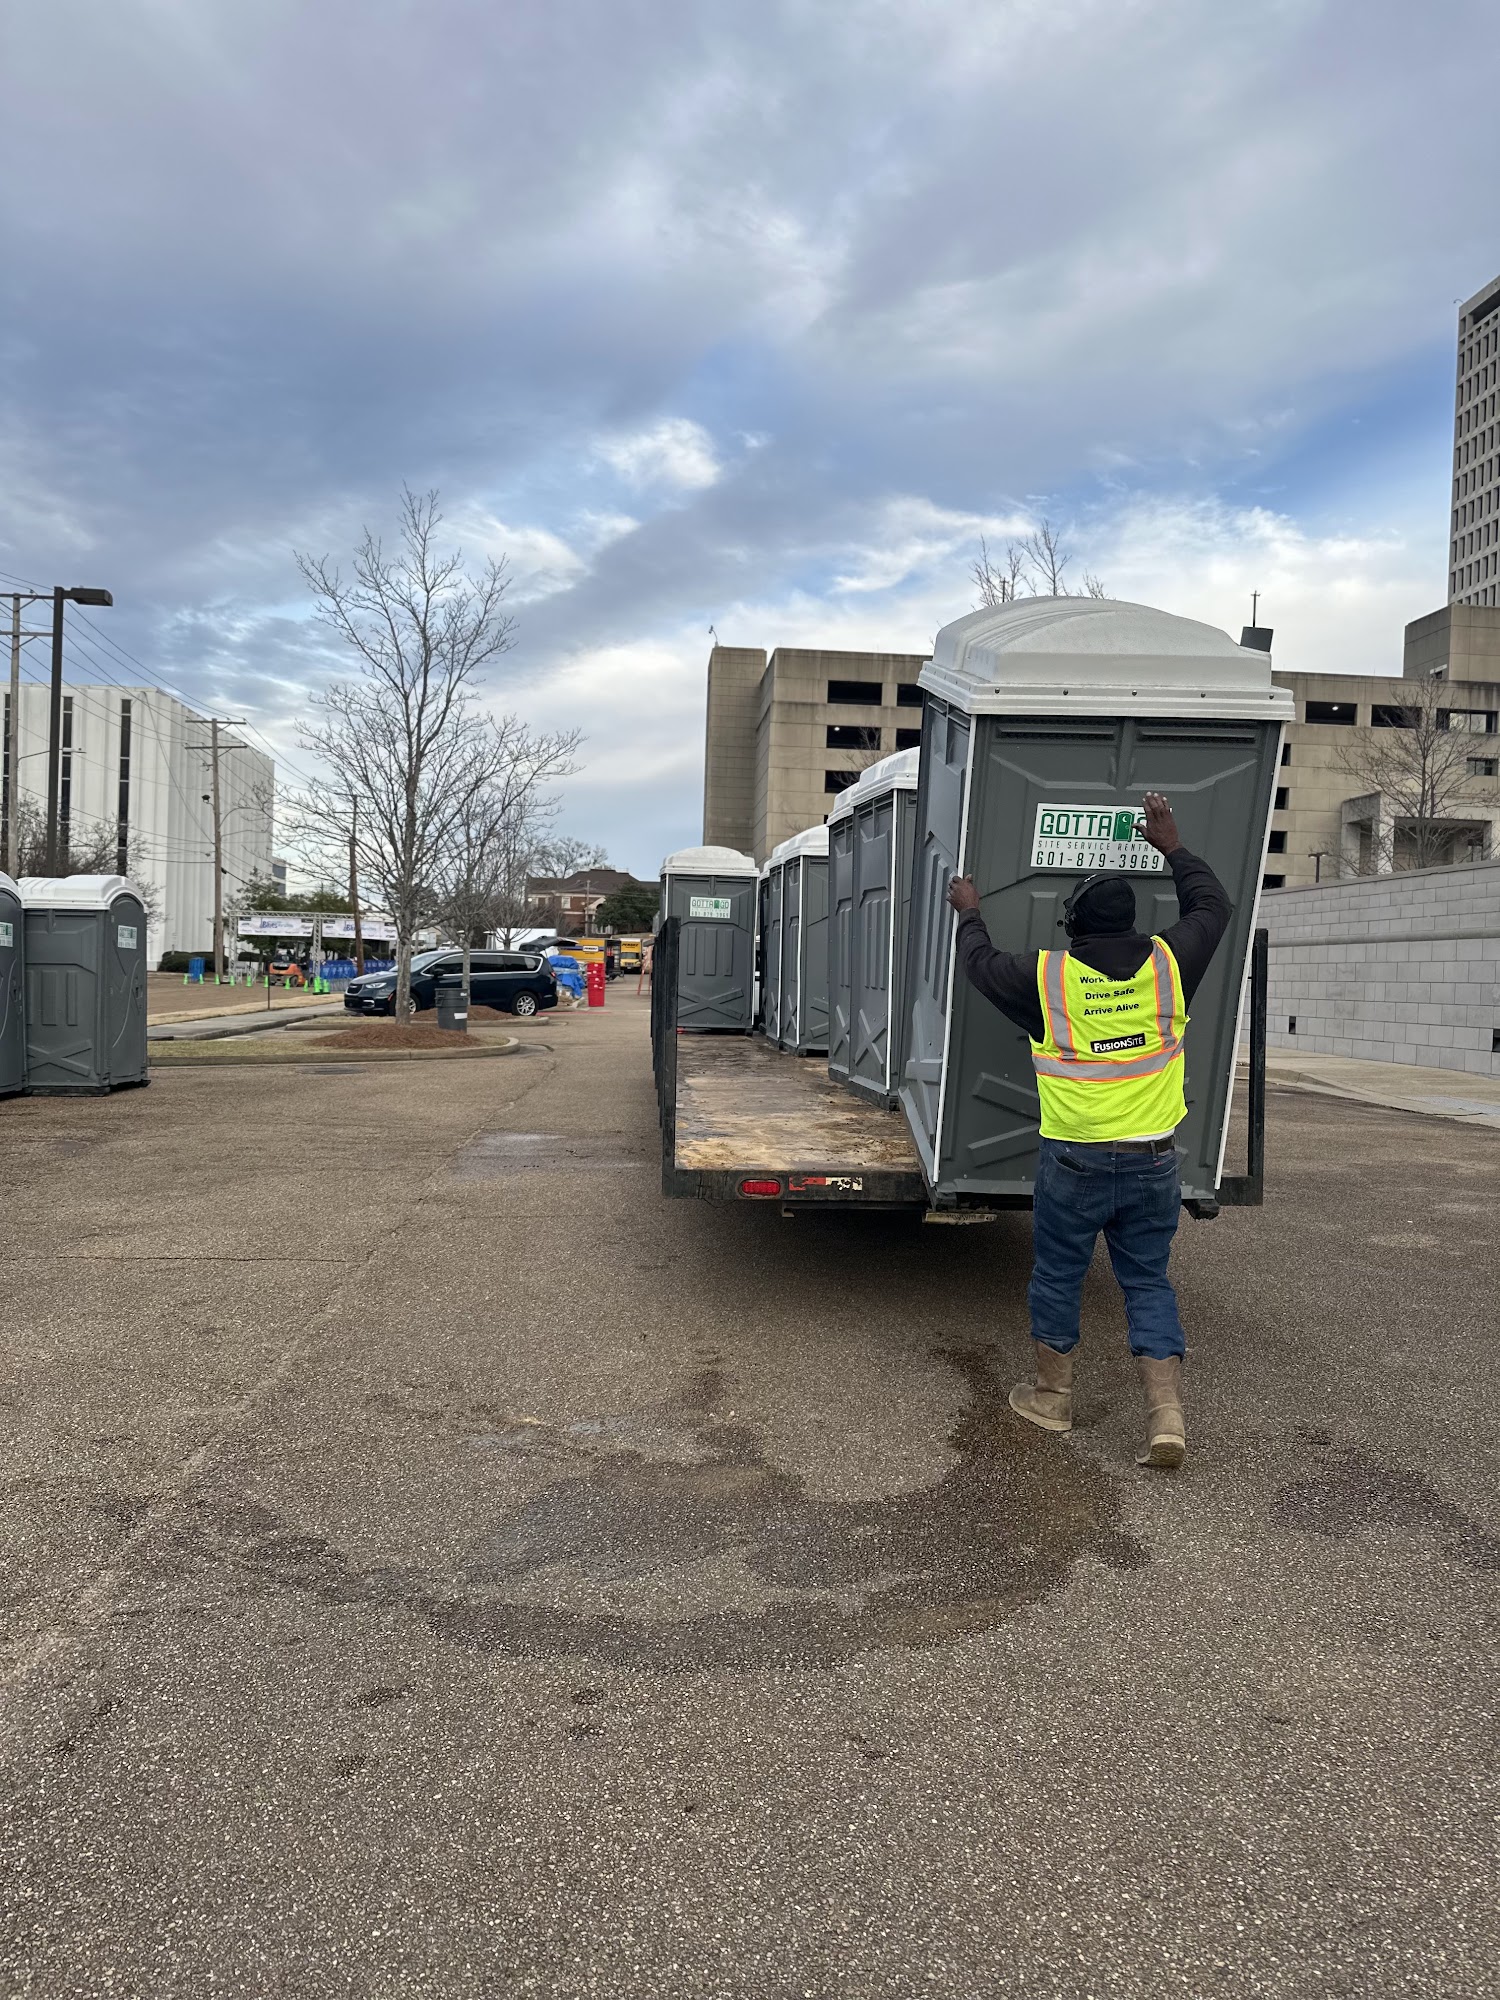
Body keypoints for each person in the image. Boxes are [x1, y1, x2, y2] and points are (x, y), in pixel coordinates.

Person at [945, 793, 1231, 1469]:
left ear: (1072, 925)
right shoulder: (1170, 964)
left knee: (1058, 1275)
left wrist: (970, 913)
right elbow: (1213, 906)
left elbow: (980, 965)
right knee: (1148, 1281)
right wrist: (1172, 847)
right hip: (1153, 1162)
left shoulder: (1047, 979)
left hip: (1074, 1163)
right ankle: (1166, 1416)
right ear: (1133, 920)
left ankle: (1052, 1399)